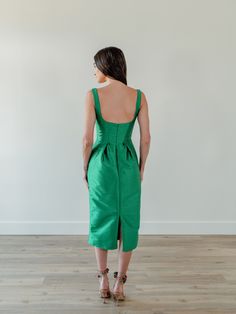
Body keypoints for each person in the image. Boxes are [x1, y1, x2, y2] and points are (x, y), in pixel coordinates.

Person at [82, 46, 151, 303]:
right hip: (128, 162)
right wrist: (141, 168)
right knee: (128, 219)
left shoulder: (93, 96)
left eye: (95, 66)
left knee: (101, 216)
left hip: (101, 163)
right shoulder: (139, 96)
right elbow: (146, 139)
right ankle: (120, 283)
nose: (93, 71)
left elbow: (87, 140)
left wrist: (85, 167)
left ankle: (103, 279)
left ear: (105, 66)